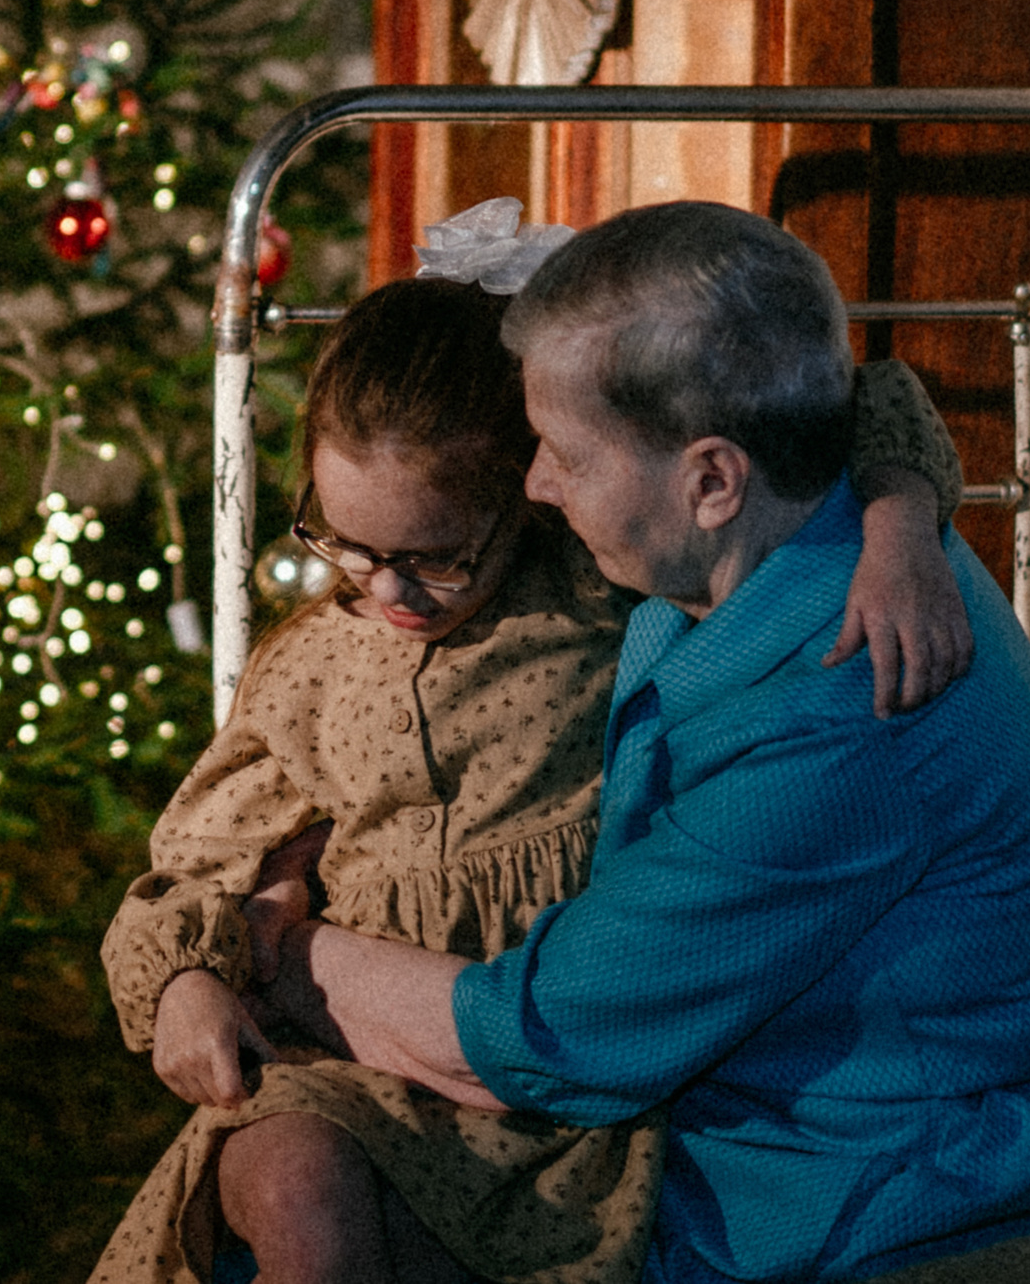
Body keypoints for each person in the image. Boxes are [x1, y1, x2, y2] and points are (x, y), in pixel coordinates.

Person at [93, 217, 975, 1284]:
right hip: (340, 1054)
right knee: (295, 1190)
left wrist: (898, 529)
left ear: (528, 487)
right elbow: (194, 855)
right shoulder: (304, 670)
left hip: (537, 1071)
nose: (387, 591)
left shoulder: (601, 576)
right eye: (345, 547)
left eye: (435, 557)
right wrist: (186, 977)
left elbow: (863, 395)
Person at [259, 202, 1030, 1284]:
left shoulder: (834, 713)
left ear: (712, 479)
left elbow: (550, 1038)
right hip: (705, 1140)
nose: (535, 486)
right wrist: (902, 505)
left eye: (565, 454)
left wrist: (282, 948)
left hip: (829, 1203)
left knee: (307, 1205)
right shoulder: (803, 510)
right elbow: (872, 399)